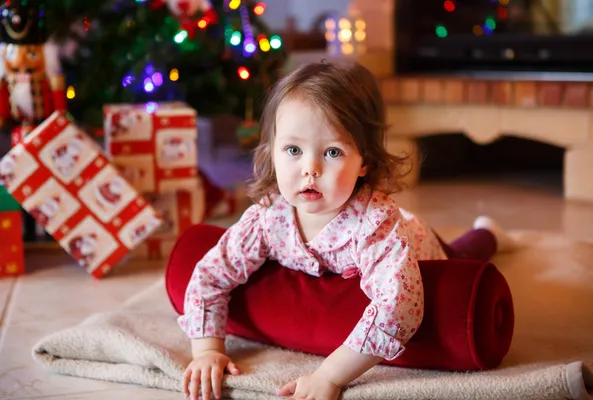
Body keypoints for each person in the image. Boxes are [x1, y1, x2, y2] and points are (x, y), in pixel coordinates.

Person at [178, 61, 518, 400]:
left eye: (332, 152)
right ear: (271, 151)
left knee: (464, 252)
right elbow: (210, 275)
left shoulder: (375, 225)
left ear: (364, 161)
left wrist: (330, 376)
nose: (310, 169)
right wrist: (207, 350)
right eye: (293, 150)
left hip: (416, 243)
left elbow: (400, 307)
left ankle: (488, 231)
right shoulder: (267, 217)